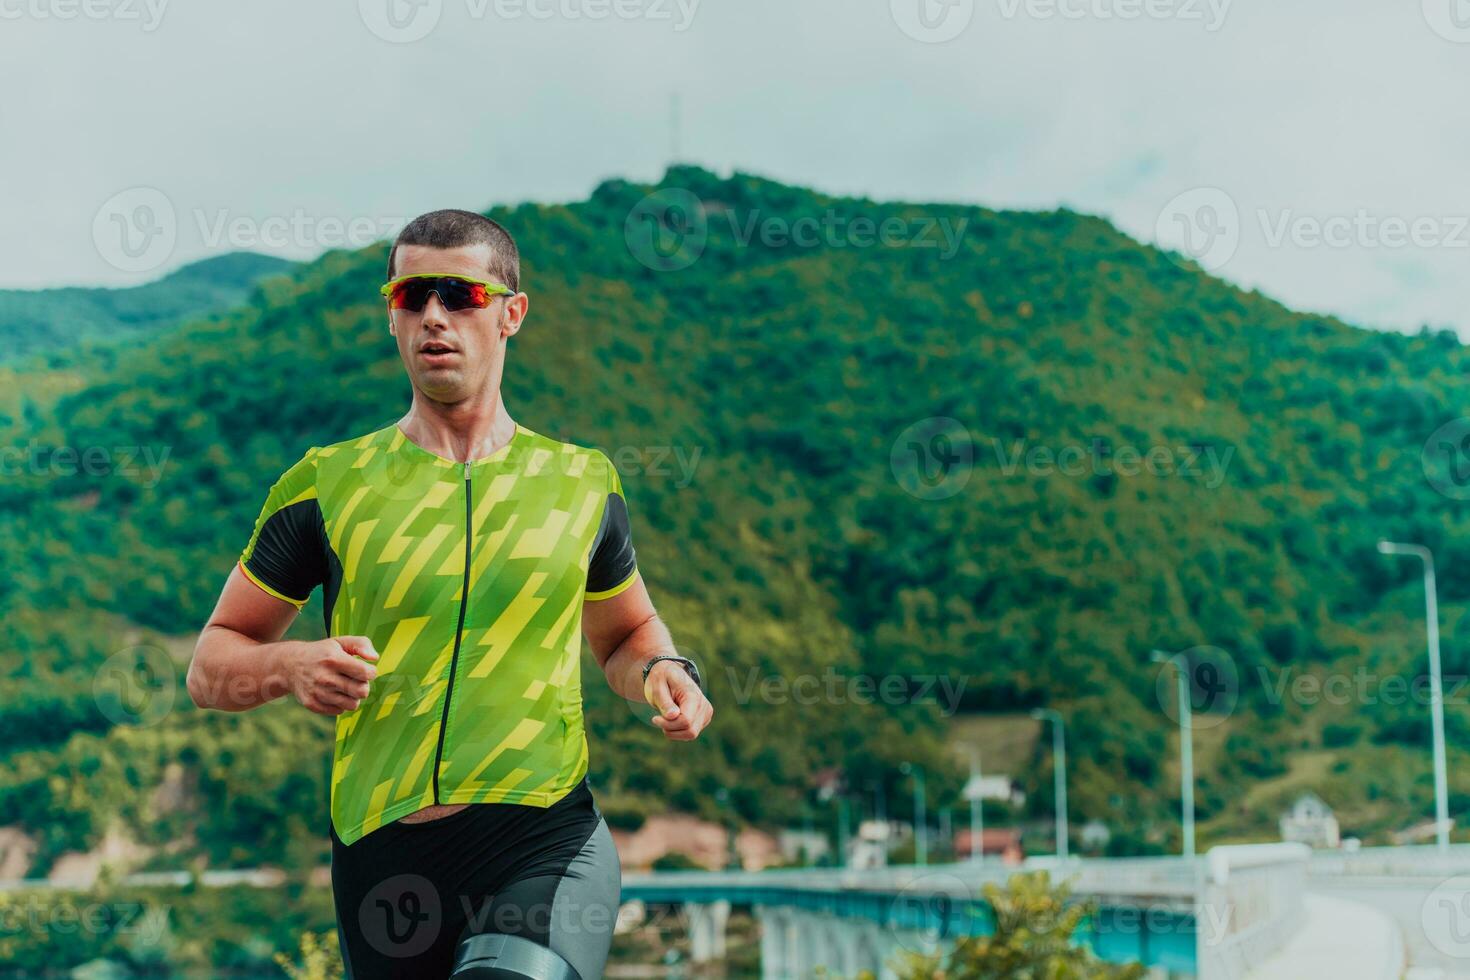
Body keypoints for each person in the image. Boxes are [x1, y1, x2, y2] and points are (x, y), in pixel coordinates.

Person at [186, 209, 714, 979]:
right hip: (385, 858)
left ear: (510, 314)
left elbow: (626, 636)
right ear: (393, 317)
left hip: (541, 836)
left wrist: (667, 672)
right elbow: (209, 666)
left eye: (460, 294)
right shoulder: (325, 485)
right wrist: (290, 666)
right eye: (411, 295)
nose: (434, 314)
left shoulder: (580, 483)